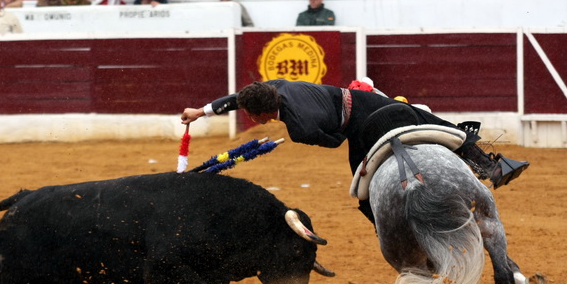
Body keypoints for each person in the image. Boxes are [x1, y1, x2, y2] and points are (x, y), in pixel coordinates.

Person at [180, 79, 530, 224]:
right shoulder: (279, 85)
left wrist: (200, 111)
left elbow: (334, 140)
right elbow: (235, 98)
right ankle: (491, 167)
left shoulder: (299, 130)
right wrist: (202, 111)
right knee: (430, 120)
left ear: (260, 115)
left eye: (249, 115)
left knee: (364, 196)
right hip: (365, 99)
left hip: (358, 129)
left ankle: (391, 229)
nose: (247, 117)